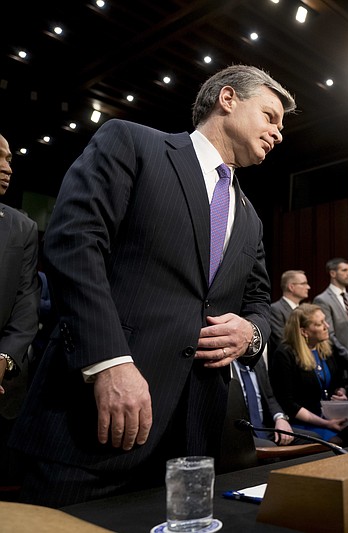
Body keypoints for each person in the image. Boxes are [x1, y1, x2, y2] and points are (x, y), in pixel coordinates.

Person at [8, 65, 296, 507]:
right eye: (271, 116)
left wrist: (250, 333)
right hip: (92, 429)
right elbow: (74, 242)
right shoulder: (133, 143)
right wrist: (108, 361)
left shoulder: (251, 217)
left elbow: (258, 301)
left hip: (193, 443)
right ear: (228, 98)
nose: (278, 133)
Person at [0, 133, 42, 490]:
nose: (7, 167)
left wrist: (3, 359)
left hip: (5, 383)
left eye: (9, 159)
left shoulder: (21, 227)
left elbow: (26, 305)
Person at [270, 304, 348, 447]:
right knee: (336, 443)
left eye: (325, 321)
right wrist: (326, 423)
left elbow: (340, 381)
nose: (327, 326)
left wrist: (341, 392)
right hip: (304, 422)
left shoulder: (326, 348)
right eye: (320, 324)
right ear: (304, 332)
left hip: (329, 418)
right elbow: (288, 404)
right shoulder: (285, 354)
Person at [313, 258, 348, 352]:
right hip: (339, 357)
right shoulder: (322, 300)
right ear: (333, 274)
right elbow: (328, 334)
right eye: (344, 270)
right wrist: (345, 355)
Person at [268, 270, 310, 360]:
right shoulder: (275, 309)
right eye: (304, 284)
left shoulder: (304, 310)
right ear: (291, 287)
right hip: (289, 361)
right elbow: (282, 340)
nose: (308, 287)